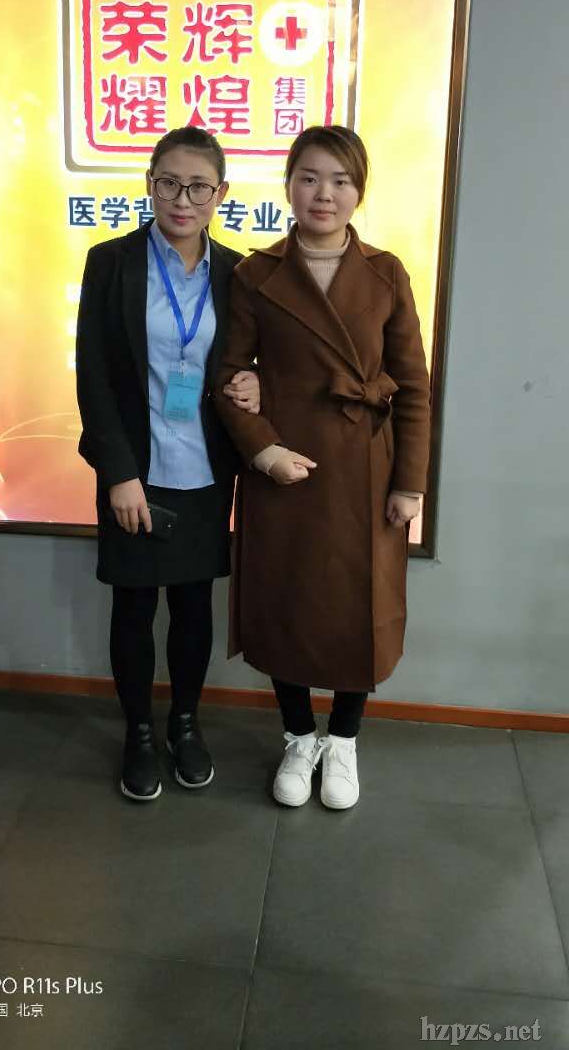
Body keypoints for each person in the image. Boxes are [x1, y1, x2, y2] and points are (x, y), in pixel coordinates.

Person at [214, 125, 431, 810]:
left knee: (358, 607)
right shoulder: (256, 275)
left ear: (359, 190)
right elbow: (228, 374)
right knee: (287, 601)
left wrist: (410, 483)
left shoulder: (387, 272)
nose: (324, 193)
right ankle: (298, 735)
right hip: (287, 467)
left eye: (340, 180)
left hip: (367, 467)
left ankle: (344, 740)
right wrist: (263, 449)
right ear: (288, 184)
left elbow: (414, 387)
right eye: (309, 177)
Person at [76, 126, 259, 802]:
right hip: (136, 471)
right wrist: (117, 473)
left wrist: (257, 382)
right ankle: (139, 734)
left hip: (206, 469)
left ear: (221, 194)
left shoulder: (238, 273)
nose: (183, 200)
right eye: (169, 183)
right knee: (133, 604)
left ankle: (185, 724)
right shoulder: (112, 262)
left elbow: (248, 360)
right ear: (150, 183)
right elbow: (93, 374)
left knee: (192, 606)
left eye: (199, 187)